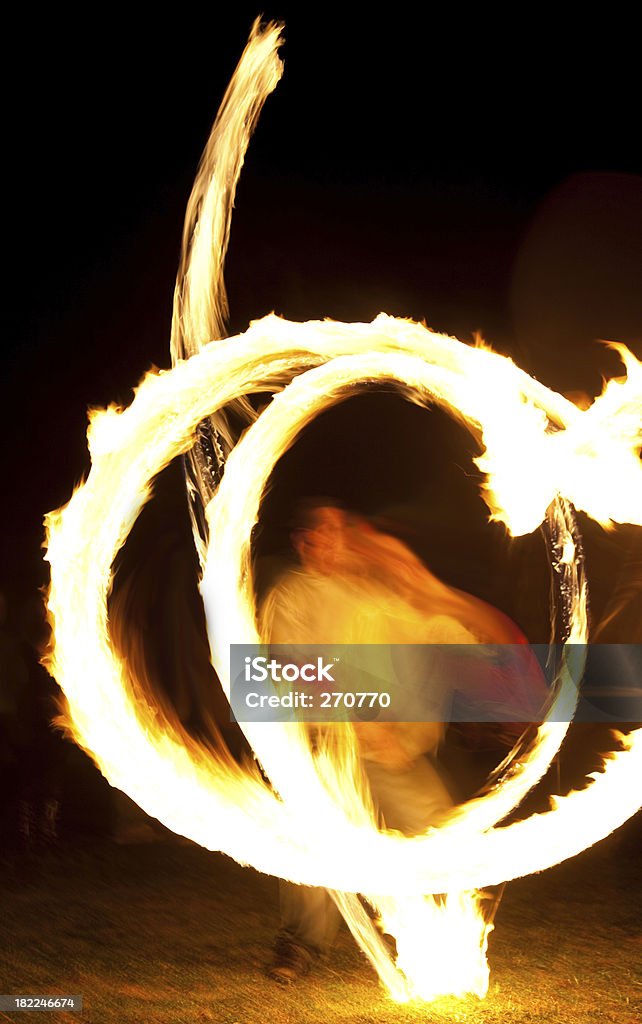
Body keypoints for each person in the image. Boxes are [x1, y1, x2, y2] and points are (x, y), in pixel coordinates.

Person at [261, 503, 547, 984]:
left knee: (441, 837)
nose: (334, 543)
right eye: (322, 534)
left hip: (398, 757)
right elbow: (290, 667)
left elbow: (448, 637)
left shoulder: (382, 595)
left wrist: (505, 687)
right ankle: (299, 945)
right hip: (326, 754)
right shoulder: (293, 596)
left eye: (340, 532)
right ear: (303, 541)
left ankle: (442, 942)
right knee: (318, 853)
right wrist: (363, 720)